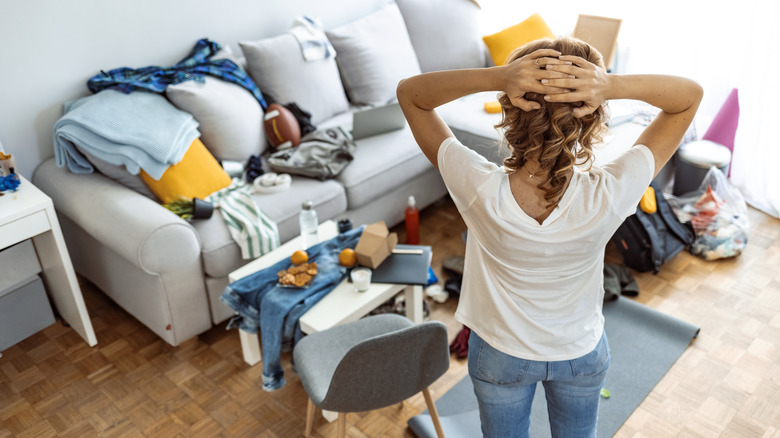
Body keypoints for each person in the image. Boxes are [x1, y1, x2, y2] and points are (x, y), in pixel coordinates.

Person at [396, 36, 702, 438]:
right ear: (591, 116)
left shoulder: (475, 184)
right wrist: (611, 85)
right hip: (581, 354)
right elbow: (689, 97)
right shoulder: (610, 192)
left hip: (500, 356)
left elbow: (411, 95)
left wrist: (498, 76)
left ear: (511, 107)